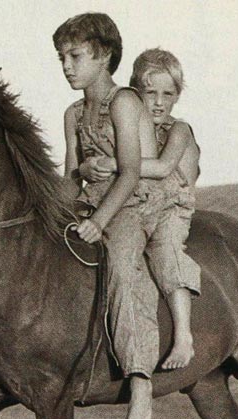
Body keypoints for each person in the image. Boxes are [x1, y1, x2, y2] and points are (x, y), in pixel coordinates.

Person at [54, 12, 160, 419]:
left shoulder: (125, 102)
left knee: (121, 266)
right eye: (61, 57)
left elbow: (133, 172)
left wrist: (99, 221)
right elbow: (69, 177)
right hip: (89, 200)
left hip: (131, 203)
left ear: (104, 56)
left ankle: (140, 383)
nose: (66, 65)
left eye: (75, 56)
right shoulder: (72, 112)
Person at [80, 47, 201, 373]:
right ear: (136, 94)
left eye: (168, 94)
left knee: (168, 253)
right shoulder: (132, 127)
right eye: (150, 93)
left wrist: (110, 163)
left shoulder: (179, 130)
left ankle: (183, 336)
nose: (159, 102)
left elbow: (161, 167)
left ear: (177, 96)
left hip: (174, 207)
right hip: (145, 206)